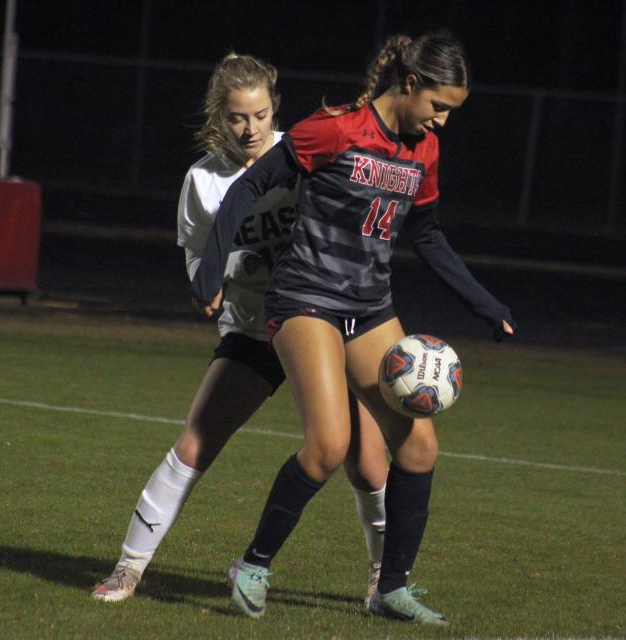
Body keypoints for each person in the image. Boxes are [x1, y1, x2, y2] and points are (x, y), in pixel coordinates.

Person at [190, 32, 514, 625]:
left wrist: (484, 303)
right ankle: (253, 565)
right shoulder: (337, 128)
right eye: (438, 105)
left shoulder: (423, 152)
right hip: (305, 299)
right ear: (410, 85)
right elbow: (250, 185)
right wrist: (211, 269)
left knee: (418, 447)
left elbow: (428, 235)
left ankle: (391, 590)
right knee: (328, 446)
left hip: (369, 308)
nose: (442, 121)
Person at [91, 53, 391, 607]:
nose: (249, 128)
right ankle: (128, 570)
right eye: (235, 117)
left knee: (368, 460)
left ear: (274, 109)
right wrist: (212, 286)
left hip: (323, 322)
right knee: (195, 442)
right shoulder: (202, 182)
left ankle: (382, 584)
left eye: (258, 115)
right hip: (255, 330)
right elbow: (196, 256)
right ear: (218, 117)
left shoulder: (301, 153)